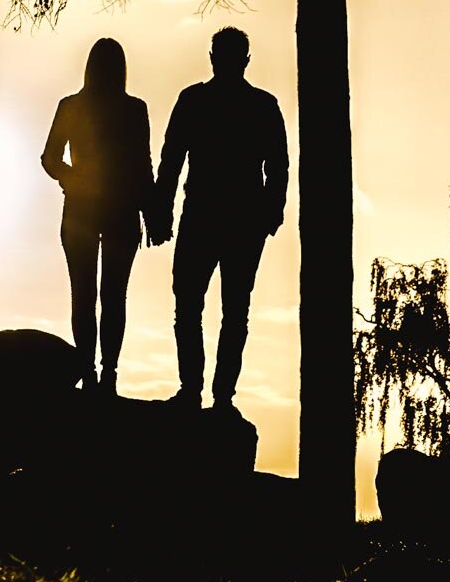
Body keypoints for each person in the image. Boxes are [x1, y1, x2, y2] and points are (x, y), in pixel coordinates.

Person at [151, 26, 288, 412]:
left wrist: (162, 209)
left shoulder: (195, 100)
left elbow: (171, 161)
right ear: (245, 59)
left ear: (213, 57)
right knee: (231, 311)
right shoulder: (262, 105)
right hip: (237, 219)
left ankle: (196, 391)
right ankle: (216, 395)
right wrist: (270, 212)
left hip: (208, 216)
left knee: (193, 306)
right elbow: (278, 167)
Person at [41, 38, 162, 396]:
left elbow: (50, 159)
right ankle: (102, 374)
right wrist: (151, 210)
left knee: (92, 294)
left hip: (94, 209)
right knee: (108, 295)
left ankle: (96, 373)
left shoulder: (78, 106)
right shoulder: (131, 109)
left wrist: (70, 177)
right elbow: (143, 168)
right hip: (111, 209)